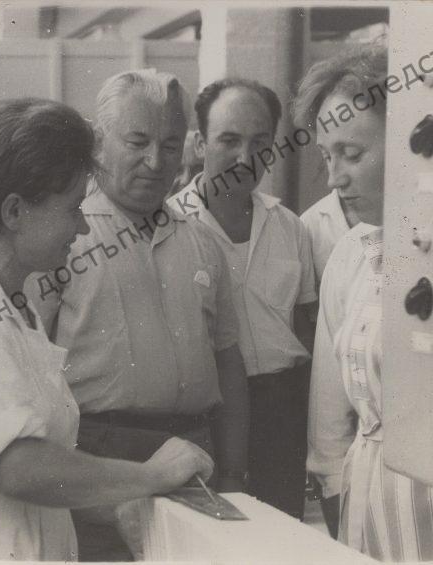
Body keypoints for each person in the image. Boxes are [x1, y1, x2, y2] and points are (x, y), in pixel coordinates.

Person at [0, 97, 214, 561]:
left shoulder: (12, 308)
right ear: (14, 212)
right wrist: (153, 475)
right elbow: (18, 467)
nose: (83, 227)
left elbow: (40, 476)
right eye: (73, 208)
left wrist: (124, 504)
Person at [25, 69, 249, 561]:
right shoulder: (63, 237)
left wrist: (234, 471)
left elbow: (228, 361)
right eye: (137, 142)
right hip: (96, 456)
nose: (155, 162)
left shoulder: (202, 241)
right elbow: (25, 363)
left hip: (193, 455)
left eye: (169, 145)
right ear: (99, 142)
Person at [299, 45, 433, 562]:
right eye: (326, 156)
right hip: (365, 499)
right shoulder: (352, 255)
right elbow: (329, 417)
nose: (334, 178)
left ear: (408, 144)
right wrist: (336, 495)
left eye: (351, 155)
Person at [166, 78, 317, 520]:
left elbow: (306, 327)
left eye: (259, 142)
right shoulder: (169, 227)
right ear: (200, 143)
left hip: (282, 412)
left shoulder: (290, 227)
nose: (245, 157)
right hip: (207, 416)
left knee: (282, 533)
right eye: (229, 140)